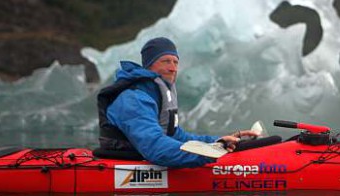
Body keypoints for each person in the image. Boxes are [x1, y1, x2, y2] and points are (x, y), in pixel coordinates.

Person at [97, 37, 258, 167]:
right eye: (166, 61)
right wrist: (210, 153)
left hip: (143, 155)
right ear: (149, 66)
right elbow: (155, 148)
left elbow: (176, 136)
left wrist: (219, 141)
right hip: (123, 164)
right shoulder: (134, 99)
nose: (173, 68)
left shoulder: (157, 93)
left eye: (175, 62)